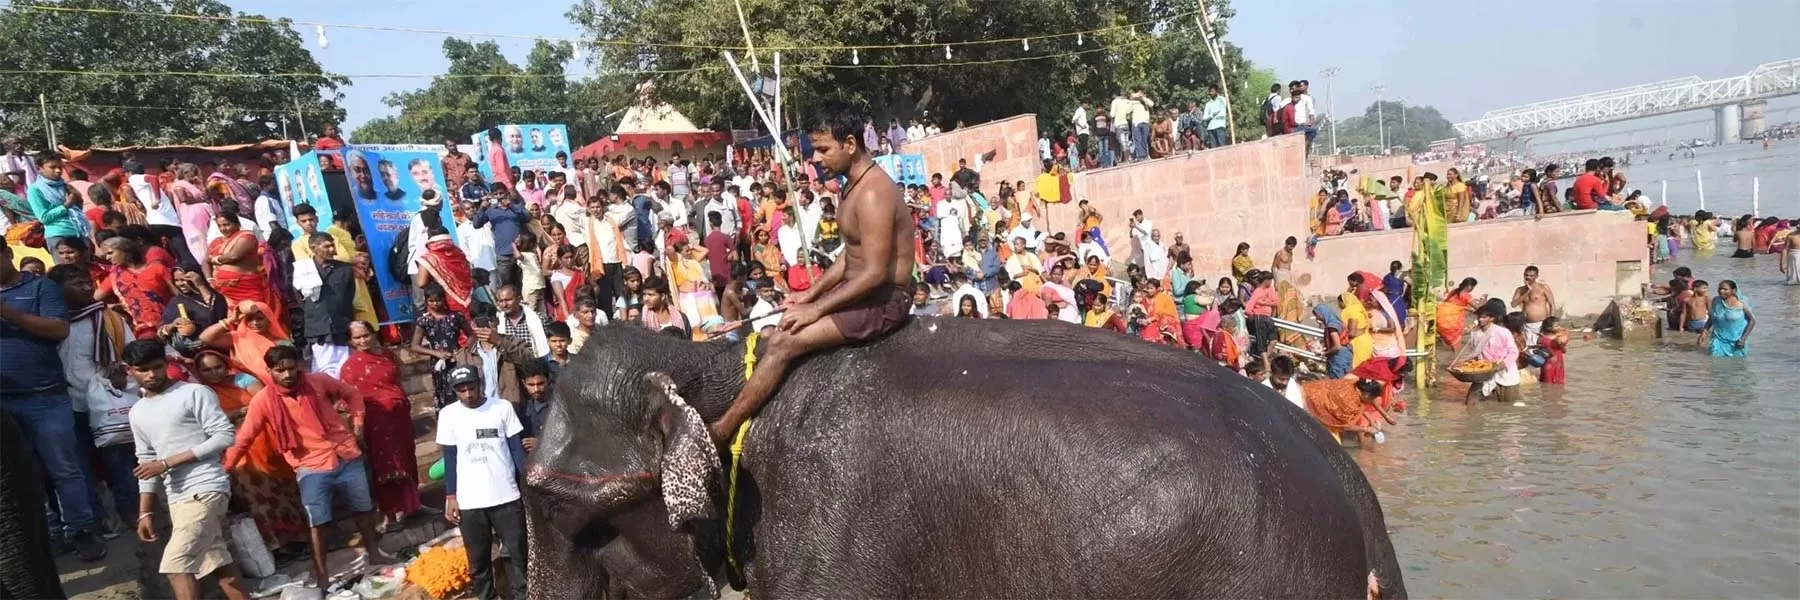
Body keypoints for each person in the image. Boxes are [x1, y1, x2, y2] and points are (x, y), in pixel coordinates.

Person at [707, 108, 915, 442]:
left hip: (884, 301)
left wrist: (815, 309)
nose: (815, 158)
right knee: (782, 325)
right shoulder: (851, 186)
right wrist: (810, 294)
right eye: (814, 150)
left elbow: (875, 273)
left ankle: (721, 430)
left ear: (850, 144)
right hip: (862, 292)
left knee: (783, 342)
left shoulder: (873, 192)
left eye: (823, 149)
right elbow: (852, 256)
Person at [224, 345, 394, 590]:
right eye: (280, 371)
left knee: (363, 509)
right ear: (269, 371)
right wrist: (226, 469)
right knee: (318, 522)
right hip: (310, 465)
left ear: (299, 366)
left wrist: (357, 426)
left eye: (291, 368)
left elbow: (353, 395)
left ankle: (374, 554)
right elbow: (244, 438)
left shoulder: (318, 382)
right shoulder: (263, 401)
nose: (287, 375)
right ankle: (322, 574)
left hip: (345, 453)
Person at [0, 243, 109, 560]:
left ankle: (81, 530)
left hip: (45, 396)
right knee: (23, 473)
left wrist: (9, 313)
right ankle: (47, 532)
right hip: (4, 404)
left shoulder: (40, 287)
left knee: (64, 468)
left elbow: (59, 329)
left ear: (7, 254)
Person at [120, 340, 250, 600]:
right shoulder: (137, 412)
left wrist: (168, 463)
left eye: (157, 367)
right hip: (177, 497)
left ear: (166, 364)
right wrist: (144, 512)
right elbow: (146, 460)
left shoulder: (194, 393)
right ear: (129, 371)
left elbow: (224, 436)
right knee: (217, 564)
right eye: (143, 370)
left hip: (206, 488)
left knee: (176, 566)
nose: (152, 375)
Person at [50, 264, 141, 539]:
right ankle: (98, 518)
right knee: (78, 465)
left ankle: (132, 511)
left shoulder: (110, 318)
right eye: (75, 282)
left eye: (87, 280)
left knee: (119, 460)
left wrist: (123, 376)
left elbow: (130, 353)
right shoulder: (50, 323)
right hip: (68, 402)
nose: (87, 286)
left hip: (107, 403)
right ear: (57, 290)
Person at [188, 349, 306, 549]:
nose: (215, 373)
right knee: (255, 493)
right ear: (199, 372)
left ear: (226, 365)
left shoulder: (242, 380)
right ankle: (276, 544)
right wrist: (239, 413)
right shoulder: (200, 394)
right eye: (207, 370)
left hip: (268, 443)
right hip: (237, 449)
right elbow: (206, 424)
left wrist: (245, 414)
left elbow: (267, 401)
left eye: (218, 367)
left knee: (286, 489)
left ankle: (301, 538)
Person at [436, 365, 530, 600]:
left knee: (518, 555)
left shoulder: (502, 408)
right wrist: (450, 496)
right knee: (478, 561)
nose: (468, 394)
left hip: (506, 496)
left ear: (481, 384)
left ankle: (522, 596)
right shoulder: (448, 414)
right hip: (470, 501)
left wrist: (525, 488)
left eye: (471, 387)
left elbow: (516, 450)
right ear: (455, 391)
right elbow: (450, 458)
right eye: (462, 390)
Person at [339, 321, 424, 533]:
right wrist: (357, 429)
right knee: (387, 465)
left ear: (373, 333)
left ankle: (414, 505)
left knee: (406, 457)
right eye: (357, 338)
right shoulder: (350, 367)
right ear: (351, 341)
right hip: (376, 421)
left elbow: (399, 379)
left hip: (398, 417)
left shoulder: (387, 355)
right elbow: (348, 400)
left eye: (365, 335)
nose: (362, 340)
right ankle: (393, 515)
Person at [26, 155, 89, 256]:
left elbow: (77, 210)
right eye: (52, 167)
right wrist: (66, 206)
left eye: (60, 167)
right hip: (58, 234)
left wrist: (78, 199)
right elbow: (44, 218)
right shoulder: (35, 190)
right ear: (39, 168)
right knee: (64, 270)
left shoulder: (65, 186)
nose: (58, 171)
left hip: (79, 231)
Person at [1701, 280, 1754, 358]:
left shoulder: (1741, 304)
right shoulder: (1716, 301)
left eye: (1725, 289)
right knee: (1715, 362)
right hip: (1718, 338)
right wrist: (1704, 332)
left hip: (1737, 340)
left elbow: (1752, 320)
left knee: (1737, 364)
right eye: (1720, 289)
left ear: (1733, 290)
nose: (1721, 291)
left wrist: (1743, 339)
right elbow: (1712, 317)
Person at [1510, 265, 1555, 346]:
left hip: (1540, 324)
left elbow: (1552, 304)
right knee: (1528, 349)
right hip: (1525, 324)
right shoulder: (1520, 290)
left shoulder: (1543, 287)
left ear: (1536, 276)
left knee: (1543, 347)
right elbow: (1513, 304)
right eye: (1526, 275)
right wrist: (1527, 291)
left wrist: (1551, 323)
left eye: (1531, 276)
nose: (1528, 277)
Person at [1435, 277, 1480, 348]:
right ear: (1469, 286)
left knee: (1449, 336)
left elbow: (1453, 304)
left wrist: (1468, 309)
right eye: (1473, 287)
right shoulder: (1466, 295)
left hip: (1440, 315)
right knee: (1457, 337)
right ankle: (1455, 356)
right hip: (1450, 318)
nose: (1472, 289)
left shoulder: (1454, 291)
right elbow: (1478, 308)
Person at [1538, 316, 1567, 385]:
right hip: (1552, 361)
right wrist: (1561, 344)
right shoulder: (1557, 339)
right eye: (1557, 326)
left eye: (1559, 325)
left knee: (1547, 380)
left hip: (1551, 362)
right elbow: (1564, 351)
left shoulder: (1541, 338)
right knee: (1554, 381)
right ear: (1549, 328)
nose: (1559, 327)